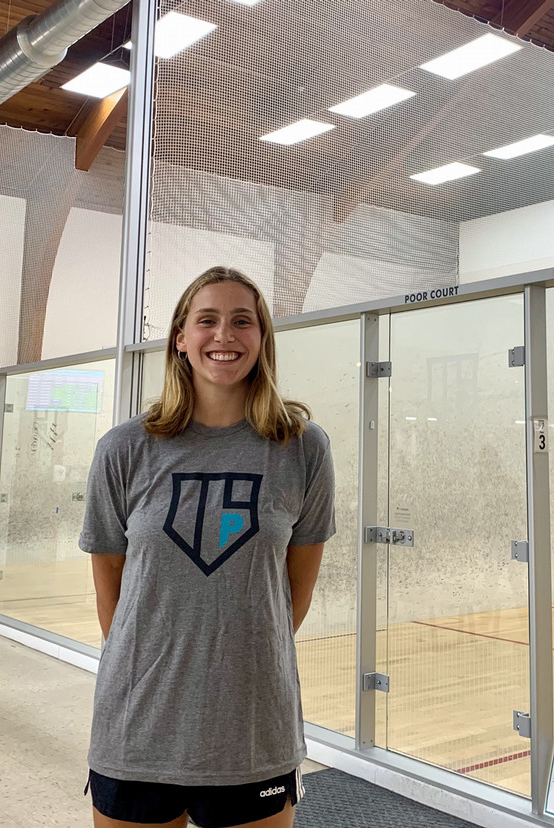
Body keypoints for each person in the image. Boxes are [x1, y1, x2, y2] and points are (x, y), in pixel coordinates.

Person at [79, 266, 336, 828]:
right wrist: (157, 659)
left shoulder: (302, 448)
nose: (225, 335)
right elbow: (112, 597)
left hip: (252, 730)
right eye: (207, 321)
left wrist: (233, 657)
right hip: (138, 726)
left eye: (242, 321)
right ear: (180, 338)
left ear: (262, 338)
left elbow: (292, 593)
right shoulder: (124, 449)